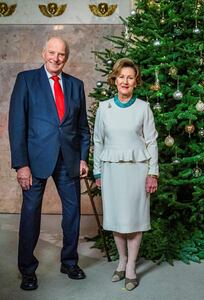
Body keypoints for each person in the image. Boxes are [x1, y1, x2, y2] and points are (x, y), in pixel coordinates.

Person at [8, 37, 90, 291]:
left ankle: (69, 261)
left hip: (69, 160)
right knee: (30, 215)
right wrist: (21, 164)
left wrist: (83, 157)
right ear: (43, 53)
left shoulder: (76, 85)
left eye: (61, 54)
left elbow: (82, 127)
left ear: (67, 57)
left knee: (72, 213)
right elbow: (17, 124)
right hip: (34, 161)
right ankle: (27, 270)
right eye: (52, 53)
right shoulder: (26, 80)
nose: (56, 58)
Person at [93, 58, 158, 291]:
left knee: (135, 219)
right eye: (121, 76)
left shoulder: (143, 107)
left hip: (137, 170)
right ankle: (121, 260)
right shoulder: (104, 108)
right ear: (115, 79)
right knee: (116, 219)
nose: (125, 81)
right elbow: (98, 140)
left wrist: (153, 173)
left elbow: (151, 142)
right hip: (111, 170)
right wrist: (97, 172)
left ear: (135, 81)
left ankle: (131, 265)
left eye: (130, 77)